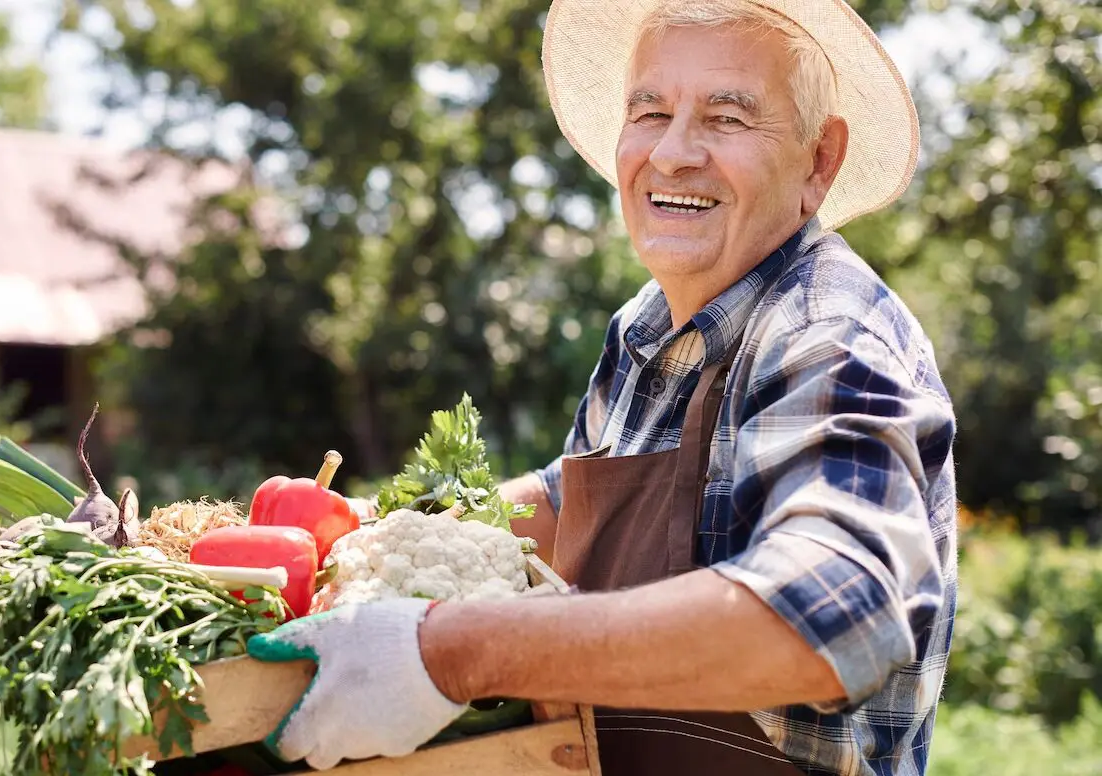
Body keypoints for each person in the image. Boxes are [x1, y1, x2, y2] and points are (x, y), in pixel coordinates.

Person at [246, 0, 959, 772]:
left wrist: (450, 651)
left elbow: (835, 616)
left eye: (726, 118)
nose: (674, 153)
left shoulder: (826, 335)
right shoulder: (648, 326)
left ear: (819, 162)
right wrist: (382, 540)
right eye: (649, 111)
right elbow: (568, 503)